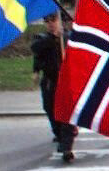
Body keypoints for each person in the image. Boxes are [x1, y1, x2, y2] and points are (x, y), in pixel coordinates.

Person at [31, 12, 77, 162]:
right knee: (51, 110)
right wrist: (36, 71)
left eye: (53, 20)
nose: (51, 23)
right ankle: (59, 134)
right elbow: (37, 51)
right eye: (47, 21)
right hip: (51, 82)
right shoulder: (42, 39)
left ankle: (66, 147)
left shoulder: (69, 38)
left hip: (67, 82)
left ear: (60, 21)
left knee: (66, 114)